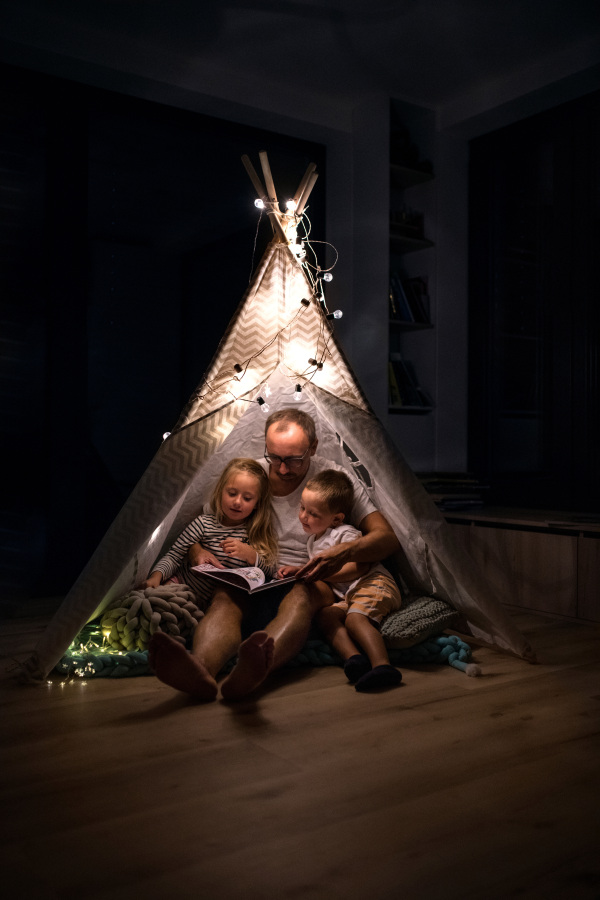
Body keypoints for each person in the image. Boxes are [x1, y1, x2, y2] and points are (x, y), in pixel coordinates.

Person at [149, 407, 400, 702]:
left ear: (313, 447)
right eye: (275, 457)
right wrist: (196, 549)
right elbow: (207, 526)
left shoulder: (332, 479)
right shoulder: (249, 476)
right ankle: (200, 670)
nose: (282, 469)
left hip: (307, 577)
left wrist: (344, 552)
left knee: (301, 593)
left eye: (294, 459)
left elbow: (387, 538)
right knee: (225, 597)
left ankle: (255, 669)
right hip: (253, 575)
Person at [279, 469, 403, 692]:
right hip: (349, 594)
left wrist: (314, 573)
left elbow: (359, 567)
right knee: (326, 617)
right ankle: (354, 659)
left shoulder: (344, 534)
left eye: (313, 514)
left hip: (374, 583)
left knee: (355, 620)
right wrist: (301, 571)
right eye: (302, 508)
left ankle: (383, 666)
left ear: (336, 518)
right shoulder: (313, 541)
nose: (303, 517)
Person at [144, 456, 277, 604]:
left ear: (257, 503)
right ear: (221, 492)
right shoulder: (203, 524)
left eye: (247, 498)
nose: (237, 502)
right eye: (232, 493)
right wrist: (156, 577)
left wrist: (251, 555)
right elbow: (174, 555)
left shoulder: (254, 535)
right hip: (178, 586)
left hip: (213, 605)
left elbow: (271, 572)